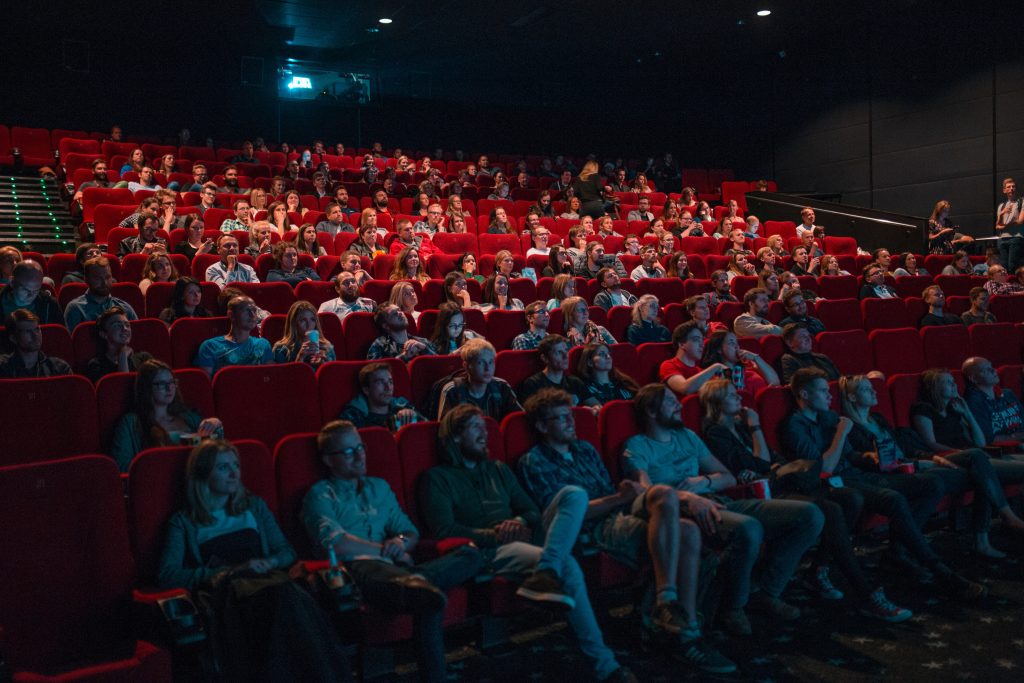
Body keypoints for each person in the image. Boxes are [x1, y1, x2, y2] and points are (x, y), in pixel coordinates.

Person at [517, 389, 735, 674]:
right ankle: (686, 633)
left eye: (570, 416)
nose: (571, 423)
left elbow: (612, 493)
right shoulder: (535, 461)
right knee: (688, 534)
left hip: (617, 511)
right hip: (593, 526)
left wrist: (621, 497)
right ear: (542, 426)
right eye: (561, 419)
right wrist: (618, 498)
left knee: (666, 495)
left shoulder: (584, 449)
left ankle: (667, 604)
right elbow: (564, 516)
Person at [420, 405, 638, 683]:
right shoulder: (437, 478)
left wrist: (520, 520)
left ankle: (546, 570)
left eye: (484, 427)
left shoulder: (497, 469)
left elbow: (533, 510)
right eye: (475, 427)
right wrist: (496, 534)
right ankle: (606, 666)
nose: (484, 433)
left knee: (574, 494)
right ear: (454, 437)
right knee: (568, 564)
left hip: (526, 535)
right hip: (491, 549)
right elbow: (445, 530)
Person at [700, 379, 913, 622]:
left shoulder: (740, 427)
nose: (739, 397)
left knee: (851, 498)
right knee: (831, 510)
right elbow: (758, 463)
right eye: (730, 395)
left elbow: (773, 459)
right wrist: (757, 428)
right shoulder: (716, 432)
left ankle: (819, 569)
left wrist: (768, 459)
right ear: (716, 403)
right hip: (766, 492)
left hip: (786, 482)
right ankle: (865, 592)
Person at [626, 383, 823, 632]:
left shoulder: (688, 436)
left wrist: (704, 481)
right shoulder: (637, 445)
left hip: (719, 499)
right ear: (651, 412)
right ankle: (734, 607)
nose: (679, 405)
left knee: (810, 515)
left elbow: (727, 477)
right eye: (669, 401)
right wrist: (687, 497)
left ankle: (766, 590)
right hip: (684, 511)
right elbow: (646, 493)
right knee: (749, 528)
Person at [302, 421, 482, 683]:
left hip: (399, 569)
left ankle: (418, 584)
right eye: (349, 452)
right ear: (329, 460)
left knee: (470, 554)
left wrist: (399, 543)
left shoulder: (379, 487)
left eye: (360, 447)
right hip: (359, 573)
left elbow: (409, 533)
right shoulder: (320, 495)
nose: (360, 455)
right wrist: (385, 551)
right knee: (422, 594)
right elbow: (335, 543)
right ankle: (418, 589)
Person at [782, 368, 987, 598]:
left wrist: (870, 457)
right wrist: (841, 433)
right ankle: (940, 570)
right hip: (835, 484)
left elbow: (850, 456)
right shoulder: (795, 426)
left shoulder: (829, 417)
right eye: (822, 391)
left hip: (859, 474)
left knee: (931, 484)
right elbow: (825, 468)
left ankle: (897, 552)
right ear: (804, 394)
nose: (830, 396)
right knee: (893, 498)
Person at [159, 439, 352, 682]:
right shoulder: (184, 522)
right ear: (203, 473)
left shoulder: (253, 507)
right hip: (230, 592)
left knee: (288, 595)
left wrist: (269, 562)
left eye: (236, 465)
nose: (234, 473)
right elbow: (168, 574)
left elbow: (286, 552)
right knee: (287, 598)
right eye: (223, 467)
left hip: (268, 580)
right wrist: (223, 572)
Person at [842, 372, 1023, 561]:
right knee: (980, 467)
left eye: (872, 388)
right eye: (866, 389)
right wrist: (925, 462)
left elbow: (907, 449)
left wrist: (933, 458)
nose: (873, 392)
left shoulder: (877, 420)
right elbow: (877, 462)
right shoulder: (851, 428)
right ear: (852, 397)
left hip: (920, 463)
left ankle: (988, 535)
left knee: (981, 467)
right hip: (905, 473)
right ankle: (991, 531)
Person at [109, 360, 223, 471]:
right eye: (162, 384)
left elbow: (216, 451)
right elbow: (122, 466)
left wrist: (216, 425)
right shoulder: (131, 422)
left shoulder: (189, 417)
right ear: (147, 387)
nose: (169, 388)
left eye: (172, 382)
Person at [436, 339, 521, 420]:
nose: (487, 368)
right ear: (466, 366)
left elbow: (518, 420)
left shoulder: (502, 386)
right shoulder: (452, 391)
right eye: (480, 362)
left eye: (491, 362)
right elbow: (446, 430)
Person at [195, 295, 273, 376]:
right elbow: (205, 385)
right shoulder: (210, 347)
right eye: (246, 310)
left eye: (254, 311)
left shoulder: (263, 345)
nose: (253, 315)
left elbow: (269, 380)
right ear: (231, 314)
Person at [517, 334, 597, 409]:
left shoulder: (575, 382)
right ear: (545, 358)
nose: (565, 356)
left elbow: (596, 406)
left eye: (566, 351)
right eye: (559, 352)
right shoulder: (533, 384)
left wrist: (593, 410)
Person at [701, 329, 779, 403]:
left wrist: (756, 358)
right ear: (719, 349)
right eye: (731, 343)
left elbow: (775, 382)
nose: (737, 347)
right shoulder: (713, 374)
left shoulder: (749, 367)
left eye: (737, 343)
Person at [338, 363, 424, 430]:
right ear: (366, 390)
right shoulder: (354, 418)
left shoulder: (403, 407)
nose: (388, 387)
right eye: (380, 382)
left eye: (390, 382)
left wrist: (414, 416)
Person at [64, 257, 138, 331]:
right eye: (98, 278)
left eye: (107, 277)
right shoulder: (75, 309)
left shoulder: (125, 308)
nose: (104, 283)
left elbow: (137, 337)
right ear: (86, 279)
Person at [83, 307, 152, 382]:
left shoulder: (144, 358)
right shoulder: (96, 365)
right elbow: (121, 389)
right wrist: (123, 355)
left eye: (127, 325)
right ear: (104, 334)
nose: (125, 328)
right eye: (117, 325)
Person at [659, 321, 728, 396]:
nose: (702, 344)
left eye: (702, 340)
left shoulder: (700, 371)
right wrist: (716, 367)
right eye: (696, 339)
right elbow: (683, 388)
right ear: (682, 344)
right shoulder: (669, 365)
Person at [0, 309, 71, 377]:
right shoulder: (3, 367)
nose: (35, 335)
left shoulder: (60, 369)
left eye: (37, 329)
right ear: (13, 338)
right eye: (28, 331)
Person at [272, 301, 336, 366]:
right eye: (303, 320)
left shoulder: (326, 347)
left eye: (312, 320)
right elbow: (282, 375)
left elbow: (333, 374)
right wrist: (300, 358)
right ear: (294, 324)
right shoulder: (281, 349)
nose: (309, 325)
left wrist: (325, 365)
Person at [0, 260, 62, 325]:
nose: (31, 295)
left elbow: (59, 333)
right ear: (12, 282)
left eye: (36, 290)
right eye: (26, 290)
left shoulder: (49, 304)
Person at [367, 303, 436, 361]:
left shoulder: (422, 341)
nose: (400, 313)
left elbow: (440, 365)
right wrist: (403, 357)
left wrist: (424, 349)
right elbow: (376, 372)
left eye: (399, 310)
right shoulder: (380, 345)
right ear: (386, 326)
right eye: (394, 314)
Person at [995, 177, 1023, 272]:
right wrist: (1002, 213)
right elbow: (997, 226)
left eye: (1013, 186)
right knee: (1003, 267)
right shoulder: (1001, 206)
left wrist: (1004, 226)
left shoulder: (1021, 202)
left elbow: (1020, 221)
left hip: (1016, 238)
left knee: (1013, 266)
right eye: (1009, 187)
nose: (1011, 188)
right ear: (1004, 190)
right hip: (1002, 239)